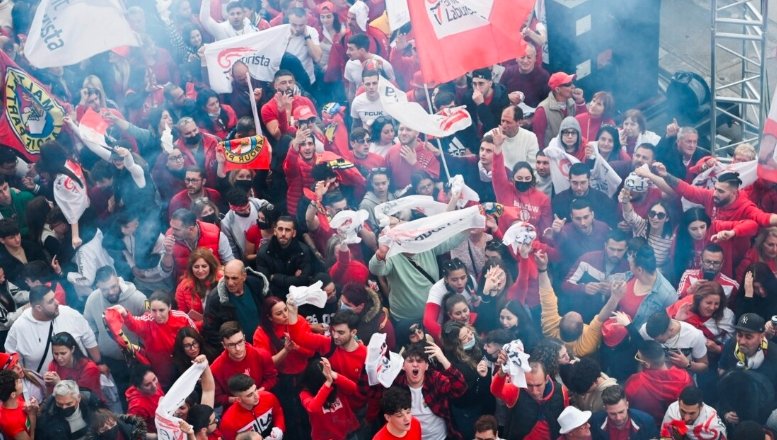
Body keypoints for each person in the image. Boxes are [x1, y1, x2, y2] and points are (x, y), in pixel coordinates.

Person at [537, 250, 625, 358]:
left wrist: (542, 269)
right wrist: (615, 297)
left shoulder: (550, 329)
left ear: (559, 323)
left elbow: (547, 296)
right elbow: (602, 317)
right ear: (582, 328)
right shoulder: (586, 345)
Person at [4, 285, 100, 375]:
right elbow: (12, 362)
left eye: (54, 298)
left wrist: (99, 363)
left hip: (81, 381)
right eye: (51, 301)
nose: (57, 302)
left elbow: (89, 338)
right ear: (39, 308)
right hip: (44, 389)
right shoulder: (18, 329)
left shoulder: (70, 314)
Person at [112, 292, 195, 388]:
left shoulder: (182, 317)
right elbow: (134, 323)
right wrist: (125, 314)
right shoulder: (147, 321)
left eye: (161, 310)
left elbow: (195, 337)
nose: (158, 315)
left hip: (185, 363)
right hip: (162, 372)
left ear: (169, 307)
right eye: (154, 310)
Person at [491, 355, 566, 440]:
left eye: (538, 385)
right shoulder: (516, 390)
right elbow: (496, 390)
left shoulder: (561, 391)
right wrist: (502, 371)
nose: (534, 391)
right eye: (529, 385)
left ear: (547, 379)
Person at [562, 230, 630, 321]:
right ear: (605, 246)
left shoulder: (628, 268)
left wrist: (613, 294)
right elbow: (565, 286)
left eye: (620, 250)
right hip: (585, 317)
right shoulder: (587, 259)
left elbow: (631, 297)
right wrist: (584, 288)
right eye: (612, 249)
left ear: (626, 249)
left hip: (611, 320)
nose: (615, 254)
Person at [440, 321, 493, 439]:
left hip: (481, 402)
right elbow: (464, 393)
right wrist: (479, 376)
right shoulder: (455, 364)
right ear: (456, 344)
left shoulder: (477, 344)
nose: (470, 336)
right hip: (467, 410)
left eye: (469, 332)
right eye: (465, 337)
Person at [203, 259, 268, 348]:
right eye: (226, 277)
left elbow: (269, 308)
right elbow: (210, 331)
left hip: (263, 342)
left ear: (244, 276)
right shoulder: (215, 299)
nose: (230, 283)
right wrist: (232, 347)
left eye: (234, 278)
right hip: (238, 351)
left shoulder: (255, 284)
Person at [211, 321, 278, 408]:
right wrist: (238, 399)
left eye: (240, 342)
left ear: (244, 338)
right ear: (224, 345)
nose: (238, 348)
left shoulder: (262, 355)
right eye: (231, 345)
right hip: (236, 409)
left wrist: (257, 392)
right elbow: (216, 398)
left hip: (263, 401)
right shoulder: (215, 368)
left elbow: (272, 378)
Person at [299, 356, 361, 440]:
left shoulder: (336, 383)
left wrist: (332, 373)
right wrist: (327, 384)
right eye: (324, 379)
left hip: (348, 432)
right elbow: (312, 408)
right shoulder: (305, 393)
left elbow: (353, 388)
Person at [219, 374, 285, 440]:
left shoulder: (268, 397)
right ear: (238, 399)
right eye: (250, 395)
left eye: (255, 389)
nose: (257, 396)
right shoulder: (228, 422)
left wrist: (279, 428)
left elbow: (278, 412)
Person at [43, 331, 105, 402]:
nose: (59, 358)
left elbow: (82, 397)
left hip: (90, 406)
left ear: (72, 349)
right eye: (56, 354)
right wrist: (48, 384)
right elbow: (50, 397)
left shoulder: (89, 368)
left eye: (63, 353)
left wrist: (59, 384)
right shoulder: (54, 364)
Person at [552, 162, 618, 227]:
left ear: (589, 181)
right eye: (575, 183)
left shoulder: (602, 199)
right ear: (569, 181)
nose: (579, 188)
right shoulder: (559, 201)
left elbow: (612, 225)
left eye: (583, 183)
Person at [718, 313, 777, 385]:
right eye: (739, 335)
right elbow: (722, 368)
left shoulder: (774, 354)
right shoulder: (730, 344)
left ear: (761, 337)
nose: (742, 342)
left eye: (748, 337)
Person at [533, 71, 587, 148]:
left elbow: (584, 124)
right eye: (568, 85)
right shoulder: (542, 110)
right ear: (558, 90)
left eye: (572, 83)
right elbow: (538, 140)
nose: (573, 86)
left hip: (571, 153)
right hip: (553, 155)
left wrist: (580, 101)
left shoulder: (573, 103)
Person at [36, 379, 103, 439]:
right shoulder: (46, 418)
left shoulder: (91, 403)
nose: (64, 407)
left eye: (69, 404)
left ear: (78, 398)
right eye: (60, 404)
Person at [590, 385, 658, 440]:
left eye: (621, 412)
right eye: (613, 414)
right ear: (605, 409)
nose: (618, 418)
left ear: (627, 405)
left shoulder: (646, 422)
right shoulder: (594, 422)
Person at [340, 283, 395, 350]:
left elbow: (388, 350)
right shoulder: (343, 309)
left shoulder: (382, 325)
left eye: (347, 305)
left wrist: (363, 349)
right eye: (342, 302)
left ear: (361, 306)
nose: (342, 307)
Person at [175, 248, 223, 325]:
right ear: (191, 268)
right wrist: (201, 324)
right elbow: (183, 315)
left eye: (204, 266)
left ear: (210, 266)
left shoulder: (222, 281)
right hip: (197, 328)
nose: (200, 270)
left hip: (221, 325)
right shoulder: (183, 288)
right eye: (196, 267)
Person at [484, 105, 539, 170]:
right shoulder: (490, 135)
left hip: (521, 178)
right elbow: (485, 165)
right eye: (503, 121)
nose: (504, 125)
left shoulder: (530, 137)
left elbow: (533, 167)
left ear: (519, 122)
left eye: (508, 122)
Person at [661, 386, 727, 440]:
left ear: (701, 407)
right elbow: (665, 436)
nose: (686, 418)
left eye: (692, 413)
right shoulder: (673, 410)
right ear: (678, 402)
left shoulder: (712, 426)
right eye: (683, 411)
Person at [0, 368, 39, 440]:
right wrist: (32, 415)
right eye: (18, 382)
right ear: (13, 394)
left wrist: (31, 406)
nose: (21, 380)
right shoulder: (12, 422)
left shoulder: (16, 398)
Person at [125, 364, 164, 433]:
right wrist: (154, 437)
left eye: (154, 379)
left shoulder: (154, 385)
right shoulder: (137, 407)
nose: (154, 386)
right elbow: (134, 430)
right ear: (138, 388)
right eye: (147, 384)